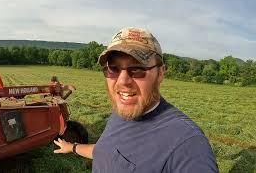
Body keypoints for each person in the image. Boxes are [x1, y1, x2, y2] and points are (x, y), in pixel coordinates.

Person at [54, 27, 219, 173]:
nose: (122, 81)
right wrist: (73, 147)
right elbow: (106, 152)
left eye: (137, 69)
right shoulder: (121, 113)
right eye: (113, 69)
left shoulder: (188, 145)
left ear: (160, 73)